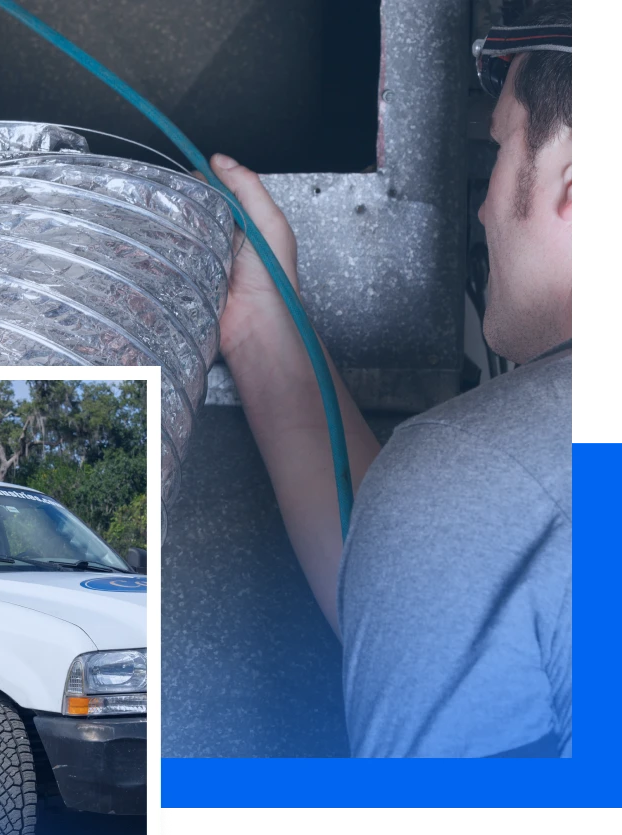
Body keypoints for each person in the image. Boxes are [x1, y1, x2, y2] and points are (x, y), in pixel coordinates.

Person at [209, 1, 571, 758]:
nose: (479, 208)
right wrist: (262, 321)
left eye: (500, 147)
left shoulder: (502, 482)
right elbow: (419, 600)